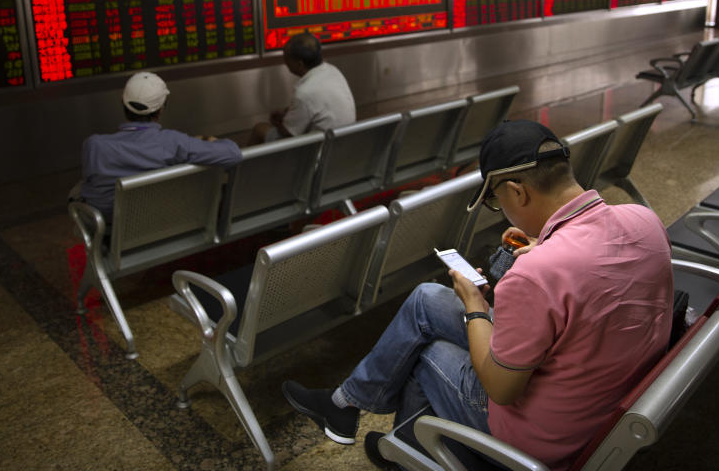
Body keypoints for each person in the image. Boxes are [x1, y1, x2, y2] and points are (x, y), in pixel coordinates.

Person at [282, 120, 673, 471]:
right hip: (605, 396)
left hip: (544, 438)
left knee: (427, 353)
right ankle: (346, 406)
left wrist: (474, 304)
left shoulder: (537, 274)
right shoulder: (643, 220)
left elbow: (500, 388)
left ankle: (412, 454)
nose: (500, 210)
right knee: (425, 299)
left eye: (495, 201)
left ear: (517, 192)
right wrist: (547, 244)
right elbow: (593, 263)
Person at [78, 71, 242, 222]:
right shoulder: (172, 143)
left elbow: (93, 192)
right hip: (161, 224)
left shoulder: (94, 146)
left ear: (122, 101)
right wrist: (208, 140)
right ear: (161, 109)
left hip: (112, 233)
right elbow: (233, 153)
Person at [249, 32, 355, 145]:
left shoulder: (304, 93)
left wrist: (278, 122)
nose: (284, 61)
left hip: (318, 150)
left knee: (259, 129)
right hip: (344, 142)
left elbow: (289, 133)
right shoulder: (333, 71)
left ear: (300, 64)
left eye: (286, 57)